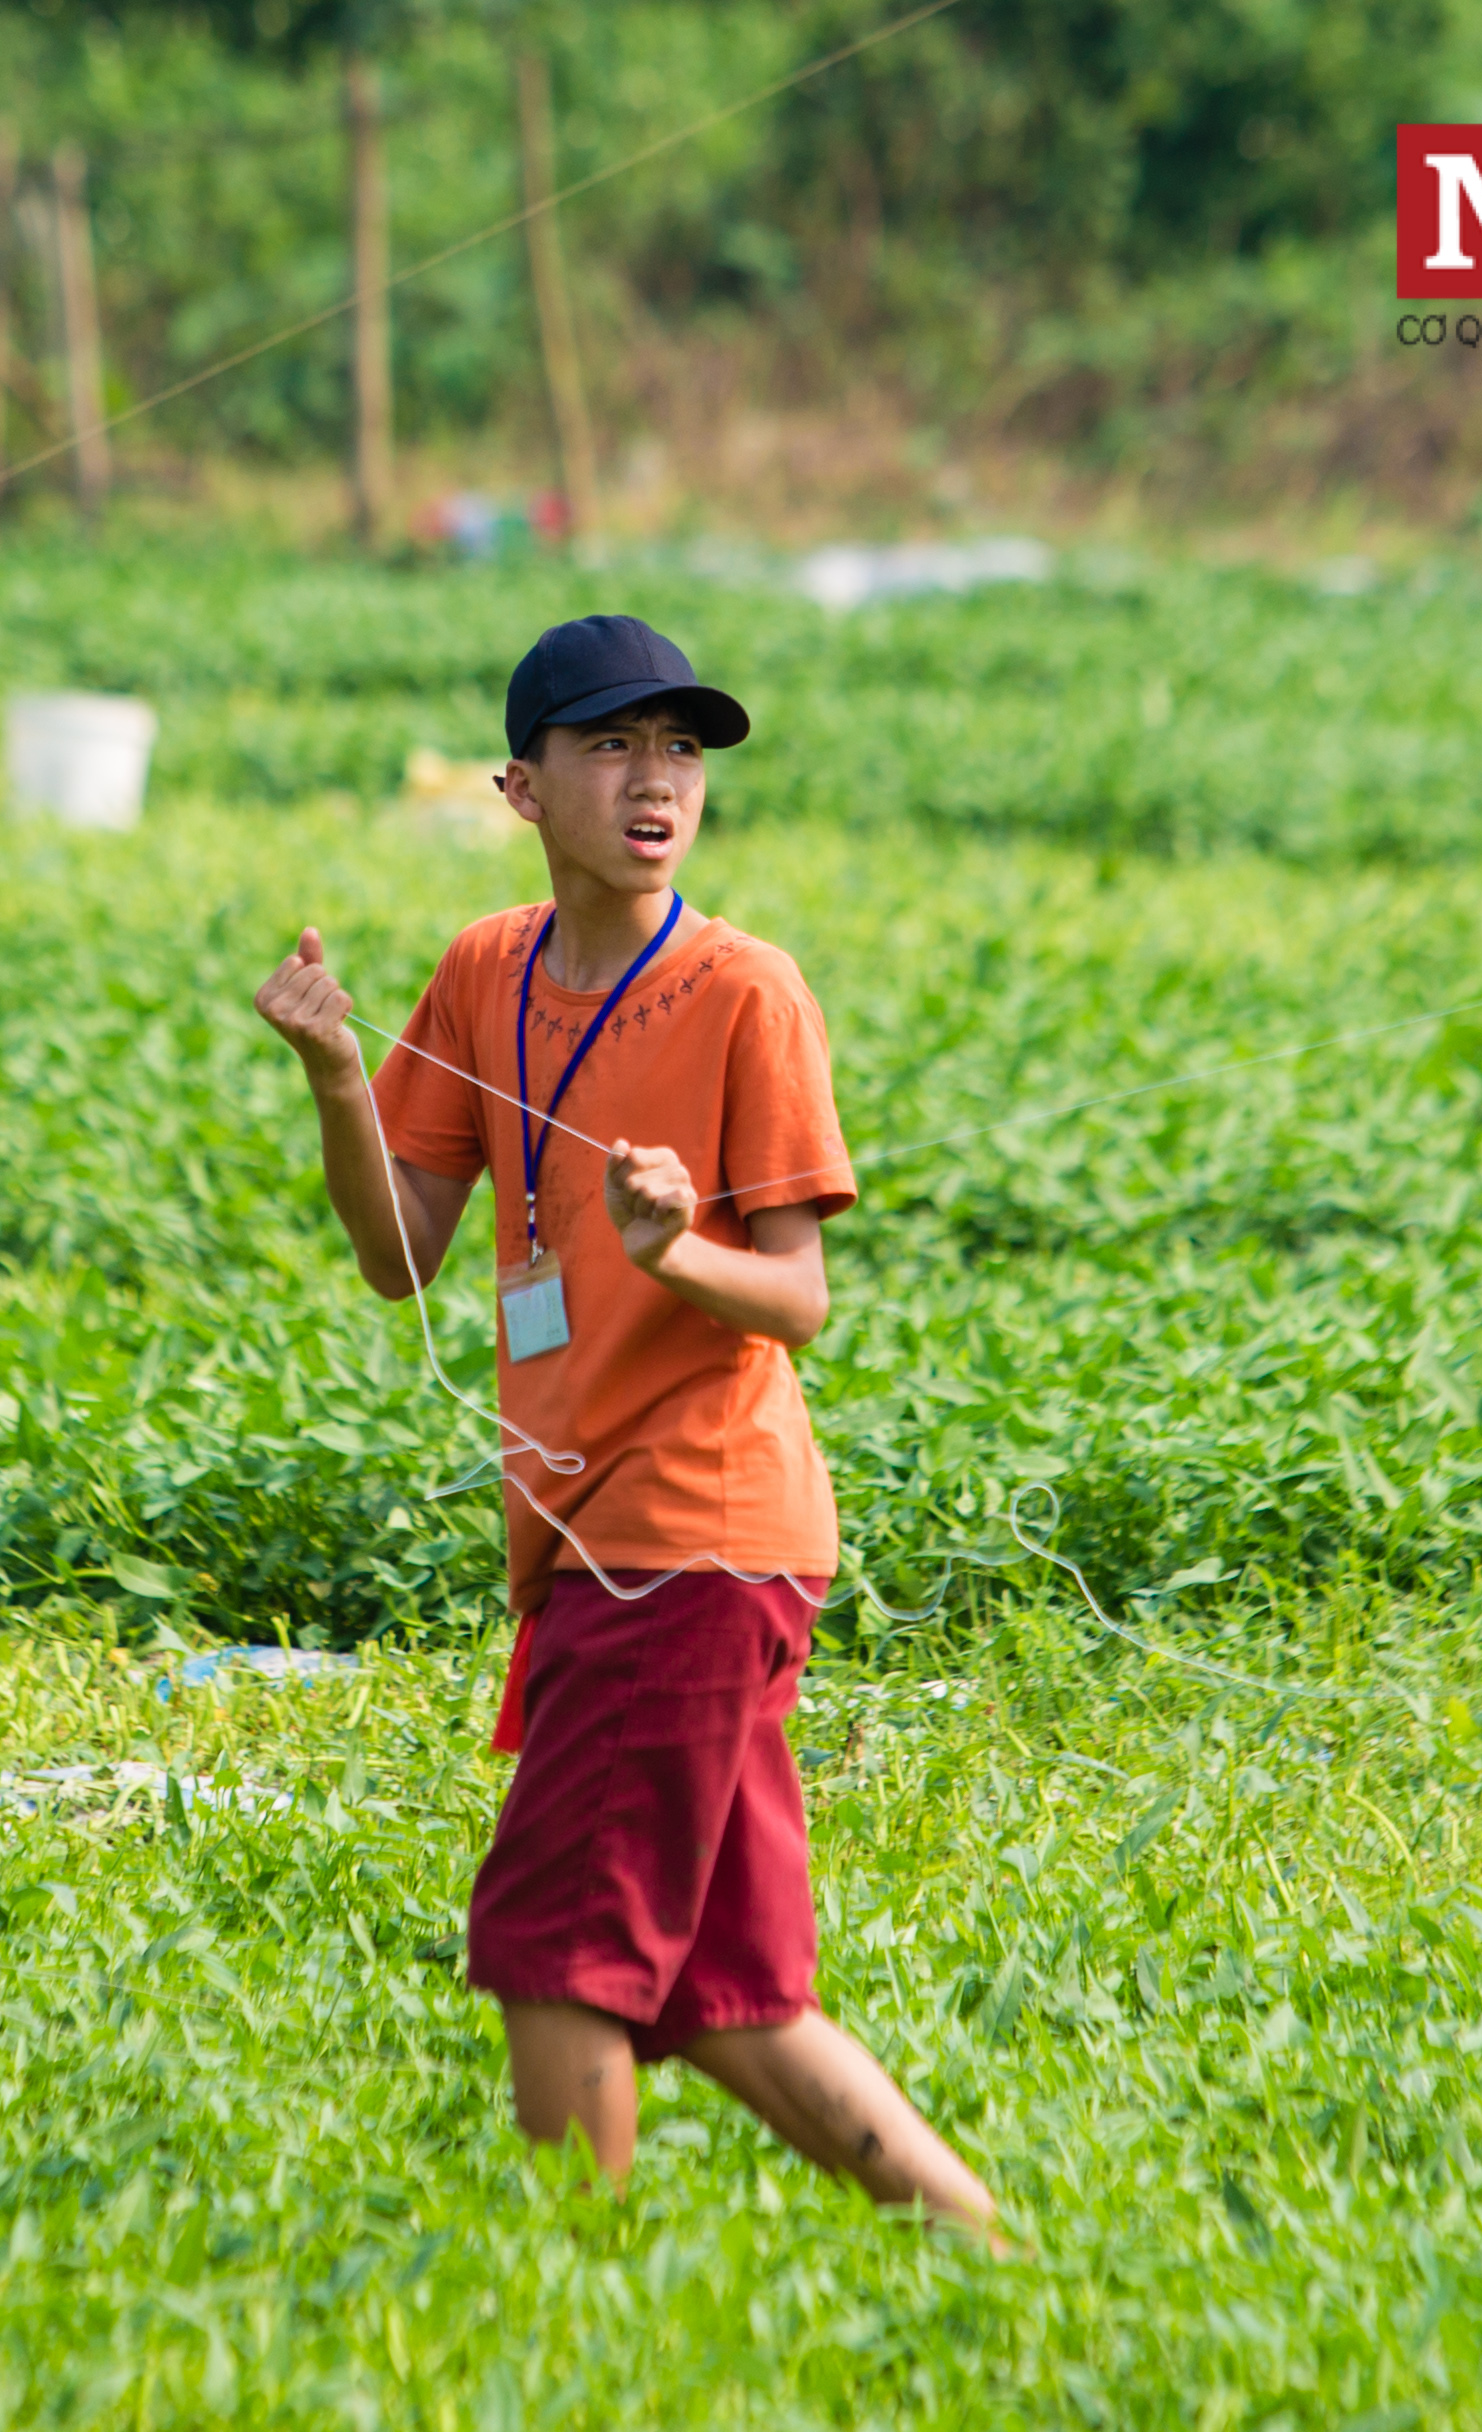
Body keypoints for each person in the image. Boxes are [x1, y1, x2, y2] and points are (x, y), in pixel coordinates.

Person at [253, 614, 1002, 2238]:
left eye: (679, 749)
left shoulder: (746, 991)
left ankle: (571, 2300)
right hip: (583, 1535)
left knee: (548, 1943)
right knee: (728, 1993)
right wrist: (329, 1075)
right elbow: (402, 1258)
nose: (655, 781)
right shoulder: (482, 968)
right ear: (521, 787)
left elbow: (796, 1299)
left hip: (695, 1534)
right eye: (611, 747)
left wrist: (676, 1253)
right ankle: (987, 2253)